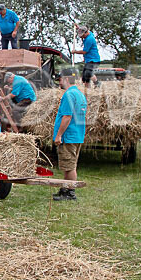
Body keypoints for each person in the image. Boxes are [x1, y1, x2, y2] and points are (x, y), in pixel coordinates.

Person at [52, 69, 87, 201]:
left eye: (60, 79)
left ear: (66, 79)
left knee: (69, 166)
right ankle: (64, 190)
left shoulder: (69, 95)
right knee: (70, 165)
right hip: (77, 135)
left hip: (68, 136)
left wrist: (59, 135)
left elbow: (67, 117)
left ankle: (70, 193)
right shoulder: (80, 94)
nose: (59, 82)